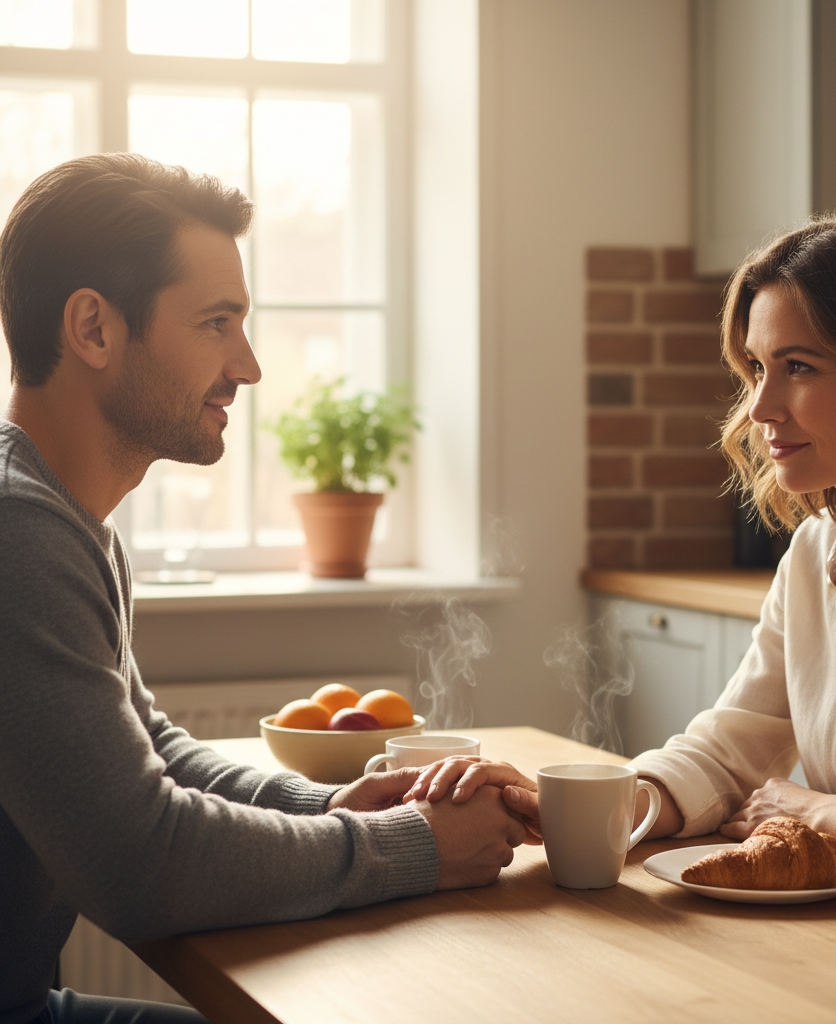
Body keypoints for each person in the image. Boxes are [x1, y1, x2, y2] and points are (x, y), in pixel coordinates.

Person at [0, 153, 529, 1024]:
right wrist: (414, 844)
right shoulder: (18, 533)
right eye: (216, 323)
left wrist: (331, 803)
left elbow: (150, 748)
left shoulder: (62, 517)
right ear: (93, 328)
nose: (247, 366)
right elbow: (143, 864)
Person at [412, 209, 836, 895]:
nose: (760, 407)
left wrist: (819, 810)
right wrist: (594, 808)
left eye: (798, 367)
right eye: (757, 367)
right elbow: (730, 748)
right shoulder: (815, 553)